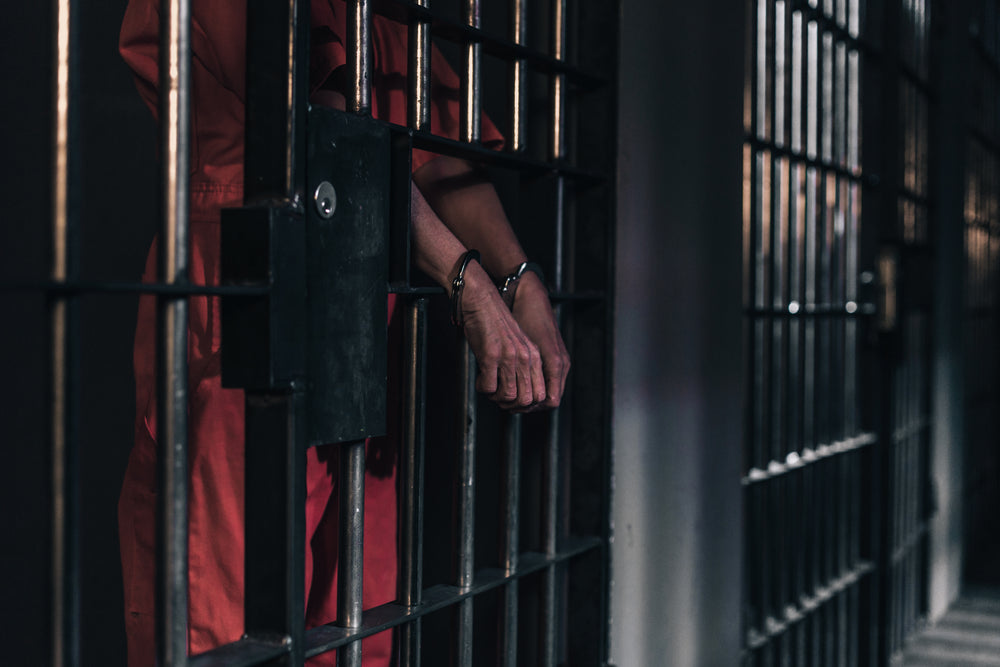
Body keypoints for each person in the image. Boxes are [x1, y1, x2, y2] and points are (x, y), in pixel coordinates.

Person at [117, 1, 569, 665]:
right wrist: (468, 281)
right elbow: (322, 133)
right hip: (245, 287)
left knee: (353, 624)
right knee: (230, 623)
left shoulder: (379, 10)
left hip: (354, 305)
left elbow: (433, 154)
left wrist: (519, 280)